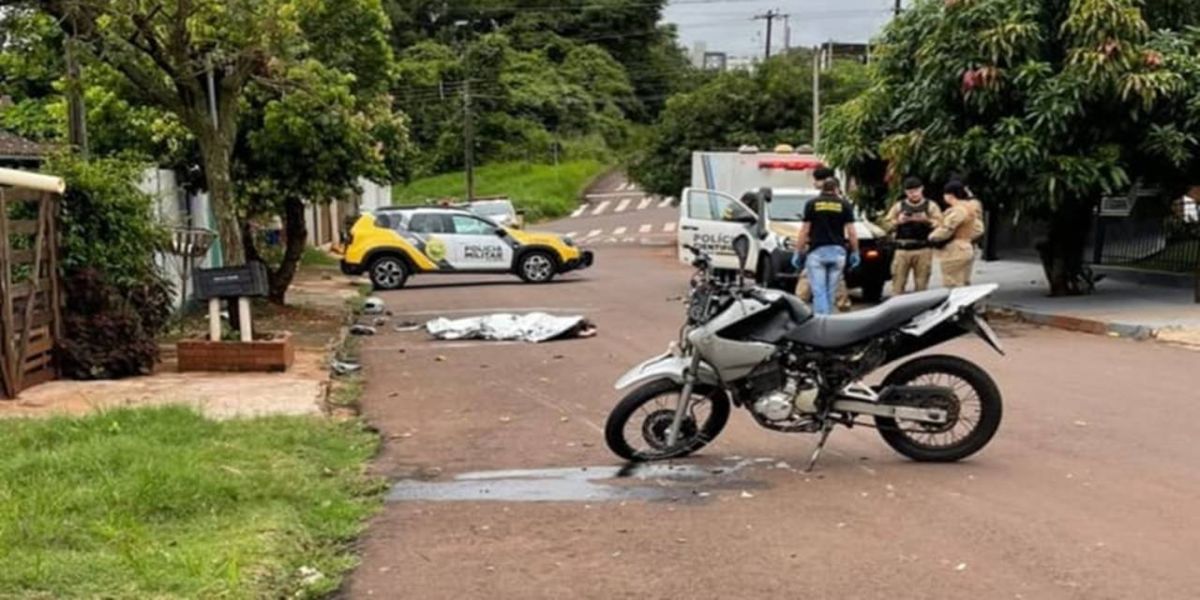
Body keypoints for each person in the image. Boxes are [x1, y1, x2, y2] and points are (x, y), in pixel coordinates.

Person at [796, 178, 860, 315]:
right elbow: (852, 232)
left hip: (817, 252)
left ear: (822, 188)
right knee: (831, 292)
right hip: (838, 253)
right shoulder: (845, 205)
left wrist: (798, 251)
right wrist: (855, 252)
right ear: (836, 189)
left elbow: (805, 230)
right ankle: (828, 317)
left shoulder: (812, 204)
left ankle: (821, 320)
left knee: (819, 291)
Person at [884, 176, 943, 295]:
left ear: (922, 189)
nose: (914, 194)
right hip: (902, 249)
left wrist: (926, 220)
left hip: (923, 249)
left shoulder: (931, 206)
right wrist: (898, 221)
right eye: (910, 192)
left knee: (922, 285)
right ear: (906, 192)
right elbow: (886, 225)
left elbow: (940, 225)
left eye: (916, 190)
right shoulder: (898, 206)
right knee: (898, 284)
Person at [929, 181, 983, 287]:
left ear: (950, 195)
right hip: (966, 247)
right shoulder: (971, 208)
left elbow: (947, 229)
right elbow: (979, 229)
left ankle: (958, 304)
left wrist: (932, 236)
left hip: (955, 250)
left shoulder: (958, 210)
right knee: (964, 281)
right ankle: (966, 303)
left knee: (952, 283)